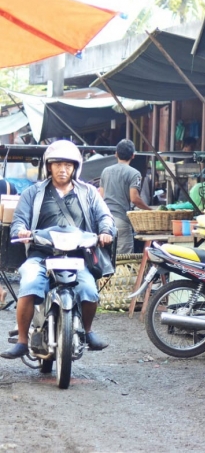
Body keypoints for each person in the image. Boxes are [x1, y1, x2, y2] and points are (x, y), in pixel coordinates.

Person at [1, 140, 115, 359]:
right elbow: (19, 221)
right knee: (30, 283)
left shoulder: (89, 192)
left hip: (77, 256)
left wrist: (105, 230)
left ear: (75, 168)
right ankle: (23, 341)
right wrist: (22, 231)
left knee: (90, 290)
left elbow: (104, 216)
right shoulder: (33, 193)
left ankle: (87, 331)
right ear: (49, 166)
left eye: (68, 165)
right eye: (58, 164)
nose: (63, 169)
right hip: (41, 255)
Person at [99, 139, 151, 254]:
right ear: (133, 156)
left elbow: (100, 197)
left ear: (116, 154)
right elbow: (135, 199)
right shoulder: (134, 173)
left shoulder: (105, 171)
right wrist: (150, 210)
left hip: (104, 221)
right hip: (121, 221)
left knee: (106, 257)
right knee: (124, 261)